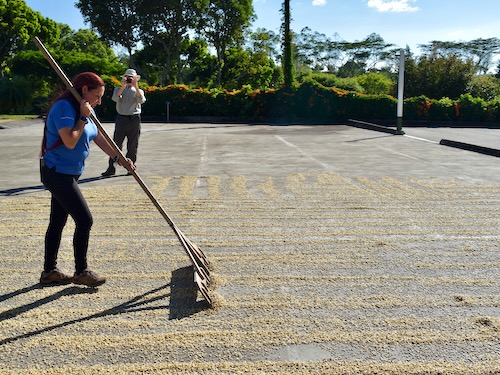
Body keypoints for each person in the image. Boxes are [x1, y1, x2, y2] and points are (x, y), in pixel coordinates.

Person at [40, 72, 135, 287]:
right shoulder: (65, 108)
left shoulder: (87, 109)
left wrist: (119, 158)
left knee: (58, 221)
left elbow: (99, 137)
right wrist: (83, 117)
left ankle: (49, 271)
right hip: (56, 172)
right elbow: (70, 141)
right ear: (84, 90)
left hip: (69, 172)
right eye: (97, 96)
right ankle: (81, 271)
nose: (99, 101)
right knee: (84, 220)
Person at [101, 68, 146, 177]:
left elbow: (141, 100)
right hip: (121, 118)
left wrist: (136, 86)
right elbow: (115, 99)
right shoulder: (118, 89)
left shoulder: (139, 90)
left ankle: (131, 167)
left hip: (134, 119)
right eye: (127, 77)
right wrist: (123, 86)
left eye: (132, 78)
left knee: (133, 144)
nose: (129, 79)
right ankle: (111, 167)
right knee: (116, 143)